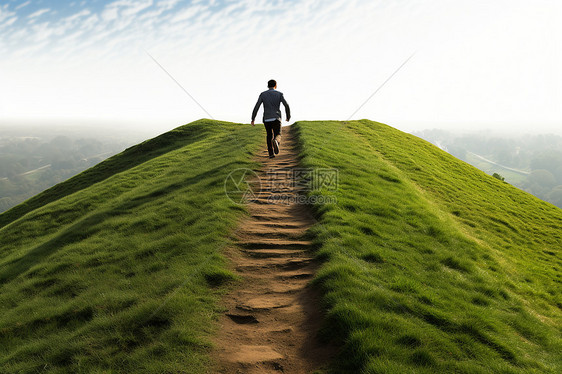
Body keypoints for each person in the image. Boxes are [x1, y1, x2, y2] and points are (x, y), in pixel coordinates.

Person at [251, 79, 291, 158]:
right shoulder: (279, 94)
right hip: (276, 118)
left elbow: (257, 106)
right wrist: (288, 116)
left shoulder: (263, 94)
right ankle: (276, 141)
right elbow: (286, 105)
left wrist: (253, 118)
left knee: (269, 135)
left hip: (266, 118)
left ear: (268, 86)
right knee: (278, 134)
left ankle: (271, 154)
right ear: (275, 85)